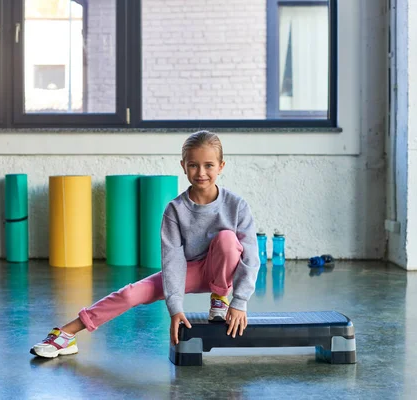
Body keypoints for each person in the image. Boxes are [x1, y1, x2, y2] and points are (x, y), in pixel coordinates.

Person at [30, 130, 260, 358]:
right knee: (130, 294)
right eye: (193, 165)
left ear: (221, 166)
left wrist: (239, 302)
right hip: (187, 272)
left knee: (227, 239)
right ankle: (67, 334)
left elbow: (250, 257)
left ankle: (219, 298)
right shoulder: (175, 210)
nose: (201, 172)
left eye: (209, 165)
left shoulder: (236, 206)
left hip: (223, 271)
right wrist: (175, 308)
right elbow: (172, 261)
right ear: (183, 166)